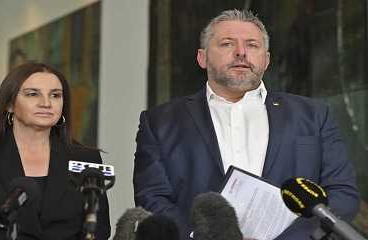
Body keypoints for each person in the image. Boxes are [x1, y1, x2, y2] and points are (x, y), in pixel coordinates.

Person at [133, 9, 360, 240]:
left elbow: (342, 194)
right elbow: (152, 198)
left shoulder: (314, 115)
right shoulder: (160, 122)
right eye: (227, 44)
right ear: (202, 58)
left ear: (267, 59)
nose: (241, 53)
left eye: (252, 45)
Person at [0, 63, 111, 240]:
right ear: (9, 104)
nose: (46, 103)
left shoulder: (87, 158)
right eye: (33, 94)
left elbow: (99, 230)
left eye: (55, 95)